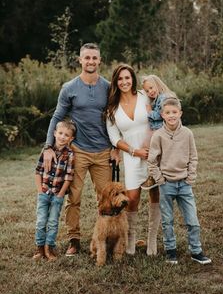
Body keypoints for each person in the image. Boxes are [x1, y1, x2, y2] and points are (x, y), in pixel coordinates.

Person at [43, 43, 117, 256]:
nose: (91, 61)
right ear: (80, 60)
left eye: (94, 58)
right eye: (87, 58)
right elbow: (57, 117)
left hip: (103, 151)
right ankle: (74, 240)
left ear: (100, 60)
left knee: (105, 199)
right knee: (73, 197)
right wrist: (49, 146)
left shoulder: (108, 87)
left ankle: (104, 238)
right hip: (78, 151)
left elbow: (116, 117)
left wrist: (116, 148)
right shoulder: (70, 88)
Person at [147, 97, 212, 265]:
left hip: (184, 184)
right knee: (167, 221)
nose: (171, 116)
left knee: (193, 221)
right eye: (167, 113)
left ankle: (196, 251)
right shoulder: (158, 136)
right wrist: (160, 179)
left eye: (174, 112)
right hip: (166, 184)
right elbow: (152, 161)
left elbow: (193, 157)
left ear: (180, 113)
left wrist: (190, 176)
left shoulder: (187, 134)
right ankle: (171, 251)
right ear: (162, 115)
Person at [106, 64, 161, 256]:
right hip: (132, 156)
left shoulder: (144, 96)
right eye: (120, 79)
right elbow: (114, 138)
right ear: (115, 81)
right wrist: (133, 151)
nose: (124, 82)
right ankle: (130, 242)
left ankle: (152, 242)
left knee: (156, 193)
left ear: (133, 79)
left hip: (153, 151)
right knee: (132, 198)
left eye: (127, 78)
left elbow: (161, 112)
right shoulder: (112, 108)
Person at [33, 119, 76, 261]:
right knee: (40, 221)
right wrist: (40, 191)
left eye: (66, 135)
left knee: (52, 222)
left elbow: (69, 176)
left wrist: (61, 194)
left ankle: (49, 248)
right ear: (54, 133)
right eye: (60, 133)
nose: (62, 137)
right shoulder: (46, 152)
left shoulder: (70, 154)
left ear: (71, 138)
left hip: (57, 194)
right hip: (44, 193)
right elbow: (38, 171)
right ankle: (40, 249)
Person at [140, 74, 176, 190]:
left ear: (158, 84)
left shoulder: (163, 98)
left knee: (154, 155)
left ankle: (154, 176)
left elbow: (162, 114)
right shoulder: (158, 99)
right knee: (155, 154)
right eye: (147, 90)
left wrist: (149, 112)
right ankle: (155, 176)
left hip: (162, 131)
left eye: (151, 88)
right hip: (159, 131)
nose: (150, 91)